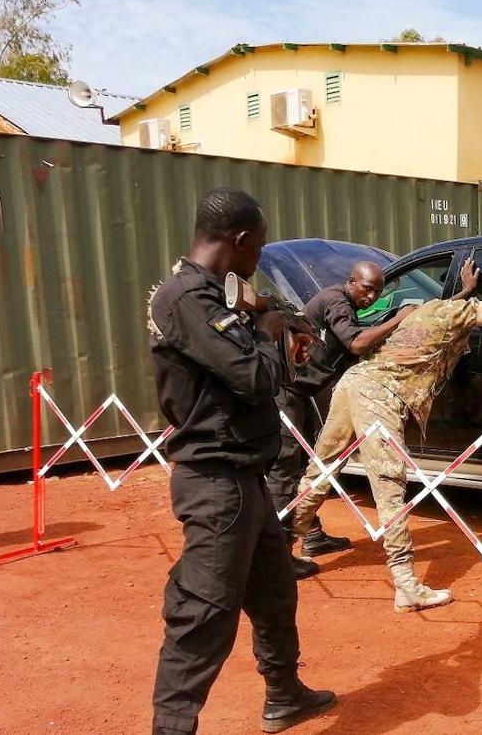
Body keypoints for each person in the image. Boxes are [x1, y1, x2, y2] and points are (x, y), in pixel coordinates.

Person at [292, 250, 482, 612]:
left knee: (322, 469)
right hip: (381, 396)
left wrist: (464, 291)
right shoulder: (458, 312)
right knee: (389, 486)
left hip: (353, 384)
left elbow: (451, 308)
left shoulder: (425, 310)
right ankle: (406, 584)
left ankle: (279, 542)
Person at [147, 188, 335, 733]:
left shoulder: (211, 297)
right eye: (260, 247)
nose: (259, 258)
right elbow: (256, 378)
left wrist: (268, 320)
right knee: (202, 613)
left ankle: (285, 694)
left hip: (244, 479)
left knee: (275, 595)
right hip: (216, 481)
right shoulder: (186, 299)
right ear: (243, 240)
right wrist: (273, 335)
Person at [266, 261, 416, 579]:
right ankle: (278, 555)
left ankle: (312, 535)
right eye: (367, 289)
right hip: (288, 390)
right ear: (351, 282)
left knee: (308, 463)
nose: (373, 296)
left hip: (302, 393)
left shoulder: (346, 303)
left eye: (378, 291)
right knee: (286, 468)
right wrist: (399, 318)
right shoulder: (337, 300)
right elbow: (356, 343)